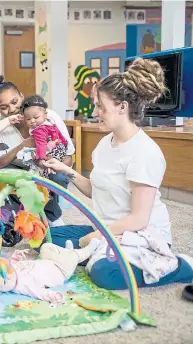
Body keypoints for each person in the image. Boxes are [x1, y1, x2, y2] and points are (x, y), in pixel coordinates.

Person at [42, 57, 193, 290]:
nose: (95, 112)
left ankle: (181, 265)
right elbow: (96, 190)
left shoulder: (145, 152)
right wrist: (65, 170)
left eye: (100, 106)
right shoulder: (104, 144)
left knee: (104, 273)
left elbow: (139, 219)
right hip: (108, 228)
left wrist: (90, 239)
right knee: (46, 239)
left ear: (122, 107)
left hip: (141, 235)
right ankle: (93, 251)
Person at [0, 75, 75, 226]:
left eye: (14, 102)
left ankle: (51, 216)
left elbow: (69, 157)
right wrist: (23, 145)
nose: (12, 109)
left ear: (22, 96)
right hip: (23, 171)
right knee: (0, 174)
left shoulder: (49, 117)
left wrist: (51, 165)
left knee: (58, 177)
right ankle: (18, 214)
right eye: (4, 107)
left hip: (50, 167)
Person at [0, 239, 100, 303]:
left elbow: (11, 263)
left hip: (47, 261)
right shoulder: (23, 286)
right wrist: (53, 296)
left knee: (46, 247)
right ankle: (87, 251)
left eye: (3, 274)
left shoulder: (10, 272)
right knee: (72, 258)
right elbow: (39, 293)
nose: (8, 278)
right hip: (60, 271)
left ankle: (67, 251)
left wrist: (16, 255)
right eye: (4, 283)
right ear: (2, 291)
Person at [21, 95, 69, 177]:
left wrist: (41, 159)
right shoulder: (49, 122)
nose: (32, 121)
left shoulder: (39, 129)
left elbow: (41, 144)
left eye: (36, 117)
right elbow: (59, 133)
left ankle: (47, 175)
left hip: (54, 152)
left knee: (39, 166)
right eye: (28, 119)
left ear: (45, 114)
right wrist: (64, 143)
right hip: (61, 148)